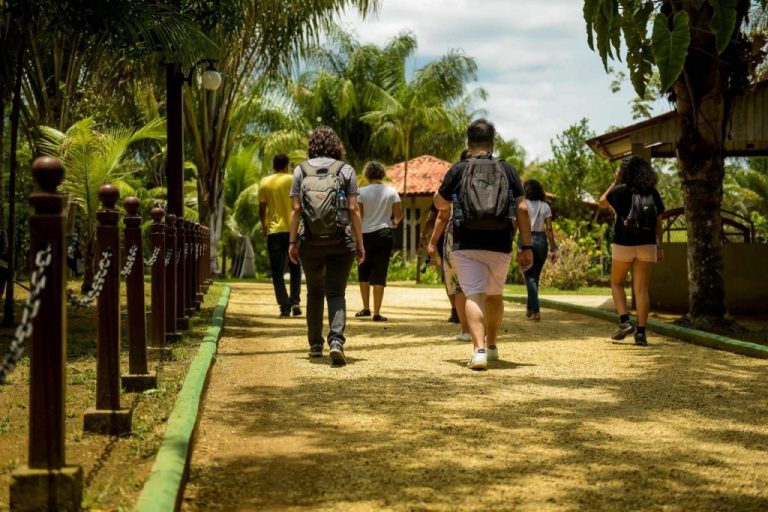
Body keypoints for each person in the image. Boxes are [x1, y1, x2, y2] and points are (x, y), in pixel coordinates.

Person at [432, 119, 533, 370]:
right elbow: (522, 208)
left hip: (466, 242)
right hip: (500, 242)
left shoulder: (459, 169)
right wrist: (526, 246)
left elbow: (439, 203)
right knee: (495, 295)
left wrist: (448, 197)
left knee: (474, 294)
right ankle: (492, 346)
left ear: (469, 142)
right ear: (493, 142)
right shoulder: (507, 169)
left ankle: (478, 351)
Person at [288, 126, 365, 365]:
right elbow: (353, 209)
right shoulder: (346, 170)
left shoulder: (300, 170)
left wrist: (292, 242)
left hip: (310, 242)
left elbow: (296, 210)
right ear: (336, 146)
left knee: (314, 292)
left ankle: (314, 345)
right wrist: (360, 243)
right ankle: (336, 341)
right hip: (341, 240)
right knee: (336, 292)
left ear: (312, 146)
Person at [598, 155, 665, 346]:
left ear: (623, 172)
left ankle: (625, 320)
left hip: (623, 244)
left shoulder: (619, 190)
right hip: (647, 245)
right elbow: (659, 223)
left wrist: (615, 180)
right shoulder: (652, 192)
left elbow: (602, 202)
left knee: (617, 283)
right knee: (641, 289)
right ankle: (641, 333)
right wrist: (660, 246)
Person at [420, 149, 470, 326]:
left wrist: (427, 238)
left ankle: (456, 310)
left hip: (450, 236)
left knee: (452, 277)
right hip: (480, 234)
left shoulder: (451, 185)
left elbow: (434, 217)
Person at [355, 161, 403, 321]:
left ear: (367, 174)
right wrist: (393, 223)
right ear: (382, 174)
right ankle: (377, 312)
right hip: (384, 233)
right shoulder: (392, 191)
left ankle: (365, 308)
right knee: (380, 271)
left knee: (363, 270)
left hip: (365, 234)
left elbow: (359, 216)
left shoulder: (361, 192)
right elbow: (399, 215)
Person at [259, 153, 302, 317]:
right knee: (295, 266)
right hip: (294, 230)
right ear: (286, 166)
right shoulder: (294, 180)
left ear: (273, 166)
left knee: (277, 271)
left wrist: (264, 226)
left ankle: (284, 306)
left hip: (275, 231)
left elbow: (262, 208)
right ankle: (295, 301)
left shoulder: (265, 182)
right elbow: (301, 205)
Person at [518, 179, 558, 321]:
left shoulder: (522, 205)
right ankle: (530, 308)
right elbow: (549, 229)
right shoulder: (545, 206)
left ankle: (536, 310)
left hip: (525, 239)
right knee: (535, 277)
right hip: (541, 241)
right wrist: (553, 248)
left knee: (529, 276)